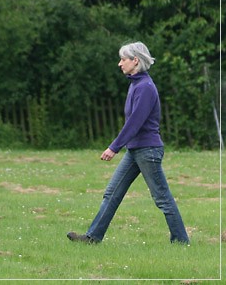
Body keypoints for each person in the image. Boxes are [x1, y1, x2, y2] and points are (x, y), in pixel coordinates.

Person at [67, 41, 189, 244]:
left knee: (162, 198)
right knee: (111, 193)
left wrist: (114, 147)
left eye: (123, 59)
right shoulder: (136, 84)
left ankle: (181, 240)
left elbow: (134, 124)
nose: (119, 63)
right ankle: (92, 238)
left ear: (135, 61)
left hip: (148, 151)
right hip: (135, 150)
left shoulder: (145, 87)